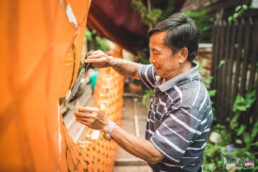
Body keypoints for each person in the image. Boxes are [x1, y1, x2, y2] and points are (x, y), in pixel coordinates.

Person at [74, 13, 213, 172]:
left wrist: (106, 125)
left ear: (182, 54)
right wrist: (109, 61)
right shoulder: (166, 73)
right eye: (151, 52)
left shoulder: (189, 101)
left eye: (157, 53)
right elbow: (136, 70)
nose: (151, 59)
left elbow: (155, 153)